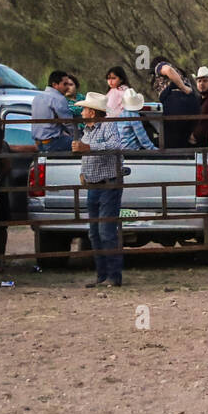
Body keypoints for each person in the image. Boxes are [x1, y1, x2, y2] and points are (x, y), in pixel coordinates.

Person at [73, 91, 125, 288]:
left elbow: (115, 145)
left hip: (108, 182)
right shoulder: (88, 129)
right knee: (95, 232)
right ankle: (103, 275)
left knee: (105, 231)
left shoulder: (108, 125)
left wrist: (88, 149)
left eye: (85, 108)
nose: (83, 111)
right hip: (95, 183)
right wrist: (83, 171)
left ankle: (112, 275)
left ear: (93, 112)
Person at [150, 56, 200, 148]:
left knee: (171, 142)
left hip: (176, 105)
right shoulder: (181, 74)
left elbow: (168, 69)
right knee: (186, 141)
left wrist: (183, 87)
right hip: (192, 106)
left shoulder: (160, 66)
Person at [31, 70, 77, 152]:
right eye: (65, 84)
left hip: (39, 143)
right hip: (52, 143)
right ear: (55, 85)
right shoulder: (58, 98)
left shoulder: (37, 97)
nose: (67, 87)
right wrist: (78, 138)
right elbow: (68, 123)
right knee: (85, 144)